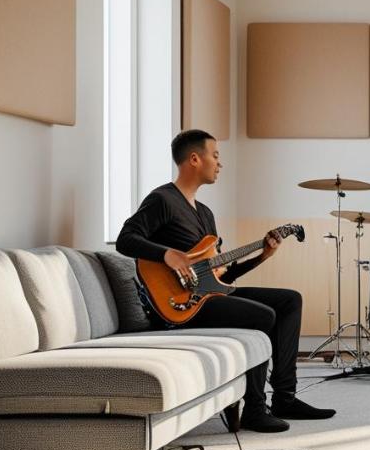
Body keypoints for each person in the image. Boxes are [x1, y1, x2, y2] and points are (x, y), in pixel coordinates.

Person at [117, 129, 336, 433]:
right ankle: (255, 410)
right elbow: (125, 240)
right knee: (263, 315)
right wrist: (169, 254)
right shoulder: (162, 199)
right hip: (179, 307)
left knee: (289, 300)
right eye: (215, 155)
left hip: (209, 297)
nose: (220, 164)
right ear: (194, 159)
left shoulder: (205, 214)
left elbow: (221, 279)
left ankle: (285, 397)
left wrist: (261, 257)